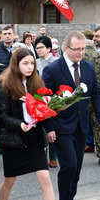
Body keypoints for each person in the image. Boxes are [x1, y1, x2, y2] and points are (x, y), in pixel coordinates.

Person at [0, 48, 72, 200]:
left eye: (32, 63)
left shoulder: (37, 83)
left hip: (34, 138)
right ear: (16, 64)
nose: (29, 67)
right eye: (25, 63)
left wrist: (50, 123)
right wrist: (19, 124)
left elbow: (44, 111)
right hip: (14, 140)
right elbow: (1, 116)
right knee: (9, 180)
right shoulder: (6, 85)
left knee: (45, 178)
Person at [42, 31, 100, 200]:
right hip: (60, 127)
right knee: (69, 166)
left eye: (83, 49)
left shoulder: (87, 67)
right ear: (65, 48)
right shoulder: (53, 69)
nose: (81, 53)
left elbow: (95, 94)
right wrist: (49, 127)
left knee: (76, 169)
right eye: (77, 49)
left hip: (81, 127)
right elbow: (45, 101)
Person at [81, 30, 100, 167]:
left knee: (79, 125)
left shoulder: (78, 55)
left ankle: (76, 153)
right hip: (98, 95)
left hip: (81, 95)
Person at [35, 36, 59, 168]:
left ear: (49, 48)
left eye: (41, 47)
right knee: (41, 128)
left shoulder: (56, 62)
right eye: (37, 48)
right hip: (39, 97)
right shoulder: (35, 62)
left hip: (53, 98)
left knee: (52, 128)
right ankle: (41, 157)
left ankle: (53, 157)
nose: (39, 50)